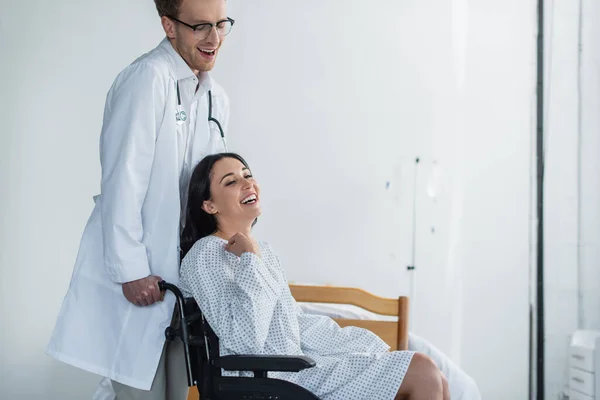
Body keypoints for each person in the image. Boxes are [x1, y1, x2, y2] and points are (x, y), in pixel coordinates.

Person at [46, 0, 233, 398]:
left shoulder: (216, 97)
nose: (214, 39)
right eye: (200, 26)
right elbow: (123, 179)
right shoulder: (147, 79)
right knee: (138, 391)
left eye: (221, 24)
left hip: (182, 283)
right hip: (141, 275)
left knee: (176, 391)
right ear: (169, 25)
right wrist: (130, 269)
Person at [177, 152, 451, 400]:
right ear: (209, 205)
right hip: (269, 382)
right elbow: (244, 342)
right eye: (231, 181)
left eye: (247, 175)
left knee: (434, 374)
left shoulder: (264, 252)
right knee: (422, 372)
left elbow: (292, 321)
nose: (247, 183)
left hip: (296, 370)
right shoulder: (207, 254)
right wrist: (249, 258)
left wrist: (358, 345)